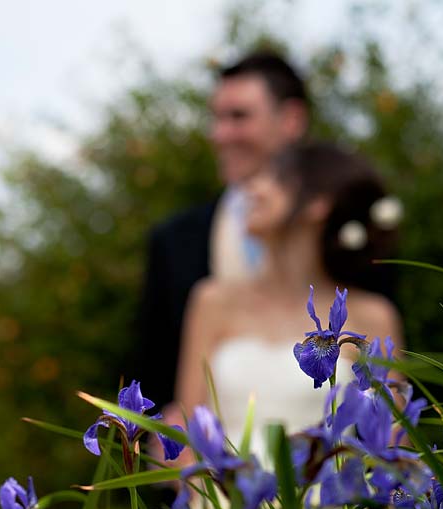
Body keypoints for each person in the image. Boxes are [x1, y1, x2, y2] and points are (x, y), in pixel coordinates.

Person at [167, 141, 403, 459]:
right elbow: (187, 433)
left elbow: (394, 446)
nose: (254, 189)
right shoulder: (212, 302)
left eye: (274, 179)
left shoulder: (371, 317)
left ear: (318, 203)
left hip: (331, 503)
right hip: (227, 500)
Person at [136, 51, 311, 408]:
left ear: (291, 120)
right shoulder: (173, 240)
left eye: (239, 117)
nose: (220, 134)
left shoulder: (341, 230)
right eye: (216, 118)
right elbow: (151, 373)